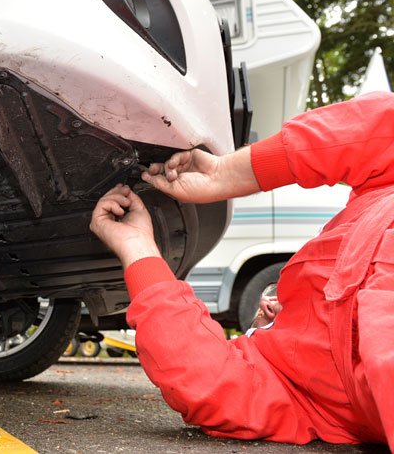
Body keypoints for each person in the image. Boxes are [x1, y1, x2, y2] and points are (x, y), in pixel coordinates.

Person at [89, 92, 394, 448]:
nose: (266, 305)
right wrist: (225, 174)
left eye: (255, 328)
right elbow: (378, 129)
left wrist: (138, 249)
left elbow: (204, 381)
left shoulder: (300, 395)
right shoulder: (301, 397)